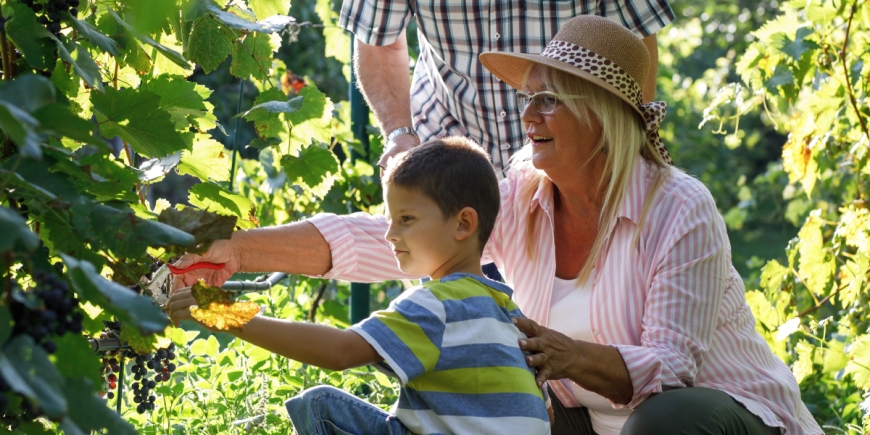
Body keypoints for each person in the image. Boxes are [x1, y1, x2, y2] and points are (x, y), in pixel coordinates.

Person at [171, 16, 822, 435]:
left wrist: (573, 358)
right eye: (528, 95)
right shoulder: (524, 192)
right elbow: (388, 237)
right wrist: (239, 251)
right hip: (587, 424)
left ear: (601, 116)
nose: (528, 113)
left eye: (548, 98)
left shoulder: (680, 208)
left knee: (663, 422)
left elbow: (673, 371)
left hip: (722, 417)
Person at [167, 138, 551, 435]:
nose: (389, 234)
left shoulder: (439, 303)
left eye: (406, 219)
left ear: (463, 224)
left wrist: (226, 315)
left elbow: (340, 352)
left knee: (320, 407)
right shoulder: (510, 311)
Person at [342, 0, 675, 173]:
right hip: (448, 152)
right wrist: (400, 134)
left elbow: (634, 39)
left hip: (575, 164)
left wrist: (622, 147)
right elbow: (379, 43)